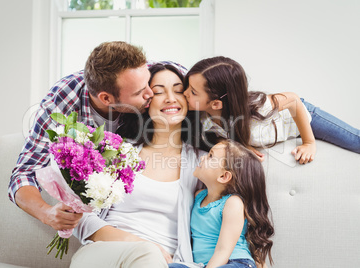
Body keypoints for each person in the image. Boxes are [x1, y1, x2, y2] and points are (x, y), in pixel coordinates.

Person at [8, 41, 186, 232]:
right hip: (104, 220)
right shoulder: (63, 100)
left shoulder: (146, 73)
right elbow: (23, 174)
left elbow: (208, 86)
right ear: (106, 98)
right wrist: (48, 214)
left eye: (150, 85)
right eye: (140, 92)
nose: (151, 93)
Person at [70, 63, 205, 268]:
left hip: (166, 262)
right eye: (159, 92)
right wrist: (144, 245)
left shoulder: (204, 162)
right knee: (146, 254)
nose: (170, 97)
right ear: (146, 102)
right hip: (104, 254)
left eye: (178, 90)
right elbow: (82, 218)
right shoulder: (117, 151)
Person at [183, 56, 360, 164]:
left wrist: (309, 143)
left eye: (192, 92)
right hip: (279, 129)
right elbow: (223, 133)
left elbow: (293, 100)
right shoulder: (204, 118)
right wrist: (244, 146)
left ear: (216, 104)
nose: (184, 93)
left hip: (303, 118)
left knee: (355, 141)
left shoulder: (258, 106)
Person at [176, 140, 274, 268]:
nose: (203, 157)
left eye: (211, 156)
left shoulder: (232, 203)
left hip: (235, 263)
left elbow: (223, 252)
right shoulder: (198, 196)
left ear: (223, 176)